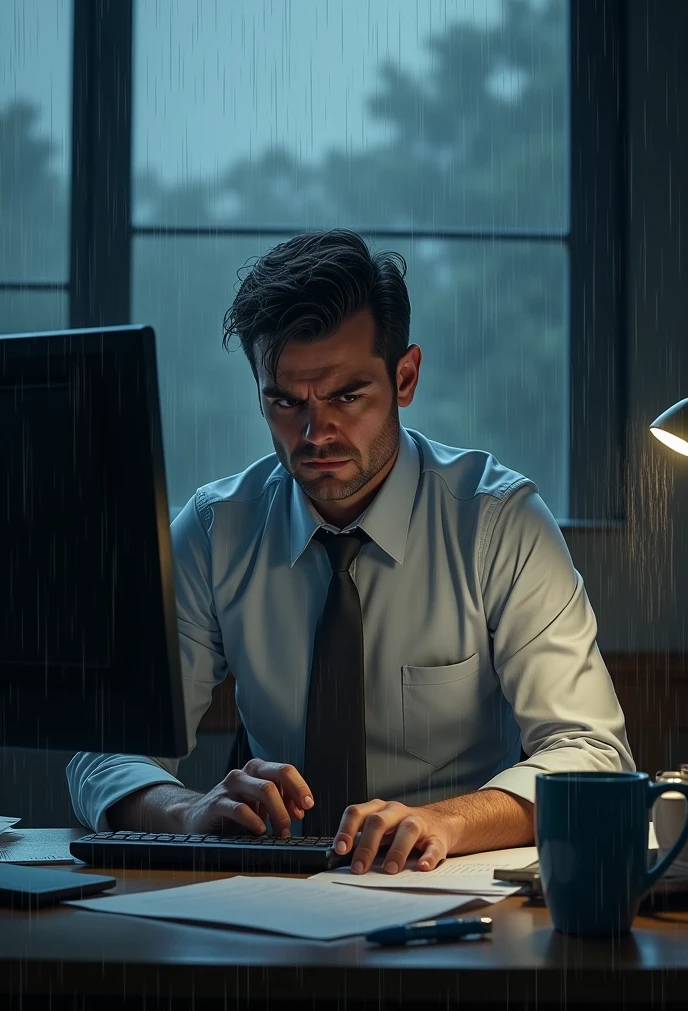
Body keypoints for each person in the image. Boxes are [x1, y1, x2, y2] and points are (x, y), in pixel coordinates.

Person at [67, 229, 634, 876]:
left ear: (406, 376)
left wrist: (442, 821)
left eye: (346, 396)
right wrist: (187, 813)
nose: (315, 433)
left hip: (454, 890)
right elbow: (102, 753)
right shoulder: (215, 532)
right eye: (285, 401)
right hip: (269, 895)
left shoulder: (500, 525)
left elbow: (591, 754)